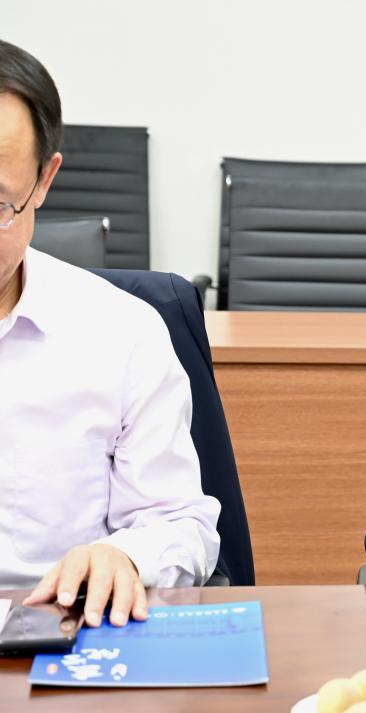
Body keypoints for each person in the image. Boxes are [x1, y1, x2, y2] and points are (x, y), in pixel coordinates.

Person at [0, 39, 220, 626]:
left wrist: (124, 555)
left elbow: (180, 523)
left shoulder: (122, 333)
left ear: (42, 181)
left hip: (59, 632)